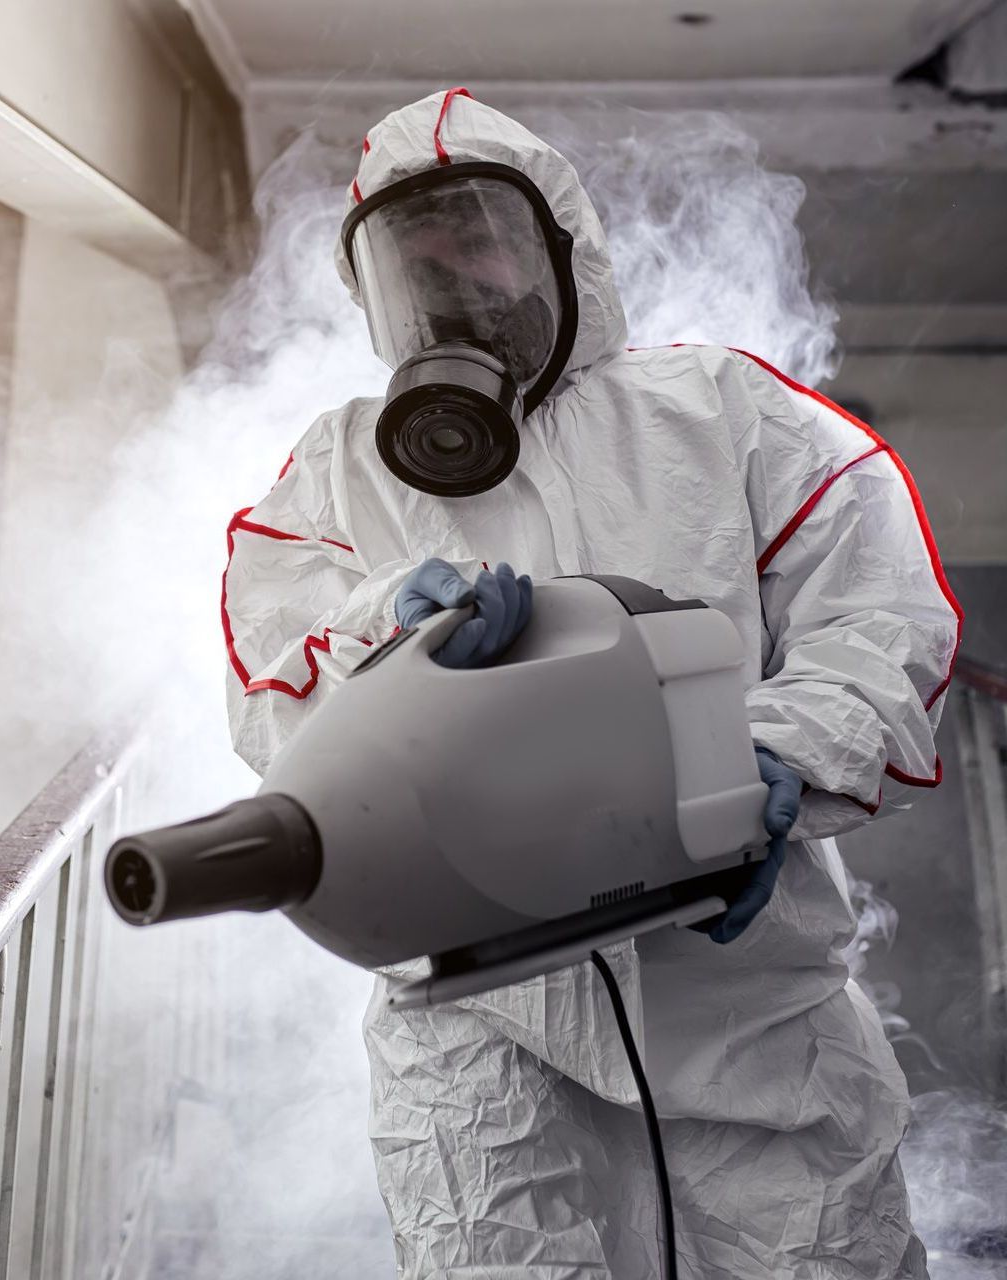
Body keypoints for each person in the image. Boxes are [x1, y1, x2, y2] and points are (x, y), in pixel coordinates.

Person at [222, 88, 961, 1279]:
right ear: (373, 298)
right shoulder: (340, 472)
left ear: (559, 247)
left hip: (744, 999)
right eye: (413, 262)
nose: (450, 280)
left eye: (476, 236)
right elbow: (271, 678)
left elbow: (879, 609)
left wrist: (764, 761)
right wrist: (382, 638)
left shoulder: (716, 410)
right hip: (475, 1016)